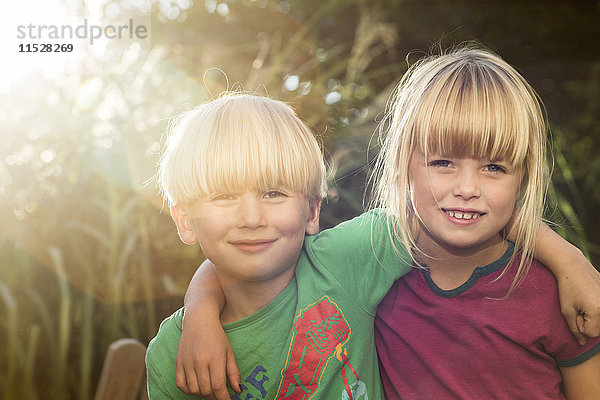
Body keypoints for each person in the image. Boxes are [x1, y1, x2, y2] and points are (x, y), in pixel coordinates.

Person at [145, 92, 416, 400]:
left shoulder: (344, 261)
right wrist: (199, 308)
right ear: (185, 220)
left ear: (312, 212)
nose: (251, 218)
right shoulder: (172, 352)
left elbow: (434, 211)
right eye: (223, 196)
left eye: (273, 193)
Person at [371, 46, 600, 398]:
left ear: (522, 179)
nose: (466, 188)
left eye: (494, 167)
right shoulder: (370, 274)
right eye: (443, 162)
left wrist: (569, 262)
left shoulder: (557, 295)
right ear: (403, 163)